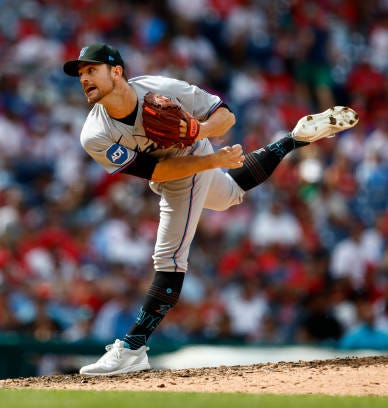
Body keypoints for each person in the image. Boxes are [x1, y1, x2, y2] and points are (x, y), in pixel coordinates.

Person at [62, 42, 359, 375]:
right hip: (175, 168)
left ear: (116, 71)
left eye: (91, 70)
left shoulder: (161, 89)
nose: (84, 78)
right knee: (229, 194)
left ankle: (132, 347)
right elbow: (157, 171)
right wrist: (214, 160)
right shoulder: (95, 134)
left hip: (190, 161)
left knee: (169, 257)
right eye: (80, 74)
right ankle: (294, 139)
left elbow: (226, 115)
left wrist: (198, 132)